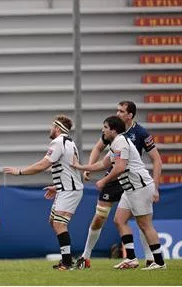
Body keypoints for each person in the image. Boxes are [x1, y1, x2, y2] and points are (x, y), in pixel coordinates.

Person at [76, 101, 162, 269]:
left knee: (143, 223)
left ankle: (154, 260)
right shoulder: (114, 137)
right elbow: (103, 160)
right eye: (117, 110)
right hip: (122, 180)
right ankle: (92, 257)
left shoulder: (135, 134)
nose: (117, 113)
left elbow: (153, 160)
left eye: (121, 111)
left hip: (136, 182)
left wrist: (156, 187)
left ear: (130, 115)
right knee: (114, 219)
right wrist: (82, 167)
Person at [4, 115, 83, 271]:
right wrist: (57, 186)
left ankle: (67, 263)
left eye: (52, 126)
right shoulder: (69, 142)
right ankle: (67, 259)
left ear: (58, 128)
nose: (50, 129)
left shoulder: (58, 141)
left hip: (69, 190)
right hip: (65, 189)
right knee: (54, 222)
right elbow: (68, 168)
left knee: (60, 224)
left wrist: (20, 171)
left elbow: (43, 164)